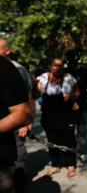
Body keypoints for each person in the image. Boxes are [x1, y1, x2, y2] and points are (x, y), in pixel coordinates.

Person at [32, 57, 80, 177]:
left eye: (60, 65)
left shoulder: (69, 77)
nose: (58, 68)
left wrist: (71, 96)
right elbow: (36, 94)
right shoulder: (43, 78)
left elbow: (77, 93)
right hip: (49, 114)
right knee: (52, 140)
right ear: (50, 66)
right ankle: (55, 165)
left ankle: (70, 165)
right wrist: (35, 85)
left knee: (68, 139)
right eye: (55, 65)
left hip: (67, 114)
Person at [0, 38, 32, 193]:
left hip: (2, 154)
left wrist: (26, 123)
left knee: (20, 159)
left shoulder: (11, 68)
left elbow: (28, 96)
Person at [64, 49, 87, 162]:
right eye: (69, 58)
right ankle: (71, 153)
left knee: (82, 130)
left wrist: (83, 97)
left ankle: (81, 152)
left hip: (82, 106)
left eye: (73, 57)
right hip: (68, 107)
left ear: (78, 57)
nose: (71, 60)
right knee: (69, 131)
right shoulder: (65, 71)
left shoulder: (85, 71)